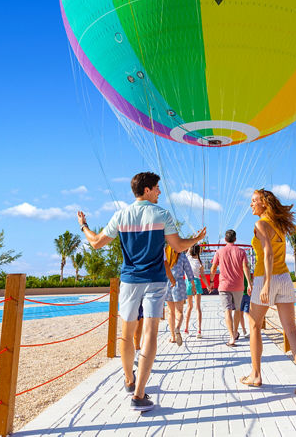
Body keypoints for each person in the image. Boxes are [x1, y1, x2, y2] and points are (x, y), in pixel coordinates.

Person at [78, 171, 206, 412]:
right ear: (147, 190)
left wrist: (84, 225)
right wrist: (196, 238)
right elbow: (178, 246)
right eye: (157, 188)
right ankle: (138, 395)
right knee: (149, 334)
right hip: (155, 282)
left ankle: (129, 380)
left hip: (129, 280)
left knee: (126, 334)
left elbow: (95, 243)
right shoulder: (161, 214)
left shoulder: (121, 215)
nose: (159, 192)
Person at [240, 188, 296, 397]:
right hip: (285, 279)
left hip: (267, 278)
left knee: (253, 324)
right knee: (291, 330)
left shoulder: (260, 224)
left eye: (254, 201)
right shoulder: (279, 226)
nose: (251, 205)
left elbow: (268, 254)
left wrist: (266, 284)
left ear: (264, 203)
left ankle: (255, 375)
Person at [210, 229, 251, 347]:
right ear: (235, 239)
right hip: (238, 286)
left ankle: (231, 337)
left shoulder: (219, 252)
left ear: (225, 239)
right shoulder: (241, 252)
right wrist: (249, 283)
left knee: (227, 310)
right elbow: (246, 267)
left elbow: (213, 268)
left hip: (224, 285)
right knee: (237, 309)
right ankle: (235, 331)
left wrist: (212, 281)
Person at [164, 244, 190, 345]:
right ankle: (178, 328)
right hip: (179, 283)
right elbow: (188, 270)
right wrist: (192, 283)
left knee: (171, 312)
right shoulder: (182, 255)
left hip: (166, 283)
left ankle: (172, 336)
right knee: (179, 311)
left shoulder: (165, 253)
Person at [183, 244, 205, 338]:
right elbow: (203, 276)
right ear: (199, 251)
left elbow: (189, 246)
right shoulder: (200, 262)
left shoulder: (187, 258)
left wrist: (195, 238)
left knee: (189, 306)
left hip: (187, 282)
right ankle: (199, 330)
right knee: (198, 307)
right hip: (196, 282)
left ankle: (186, 328)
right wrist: (208, 285)